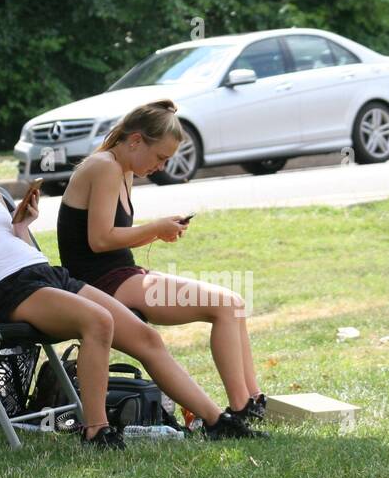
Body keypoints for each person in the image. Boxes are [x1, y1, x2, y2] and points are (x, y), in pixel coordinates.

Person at [0, 98, 263, 449]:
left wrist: (21, 227)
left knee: (146, 338)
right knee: (98, 322)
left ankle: (218, 421)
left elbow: (5, 240)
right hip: (10, 290)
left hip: (44, 274)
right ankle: (96, 431)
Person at [57, 99, 267, 424]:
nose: (161, 166)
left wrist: (159, 232)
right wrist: (155, 229)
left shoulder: (121, 169)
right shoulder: (105, 167)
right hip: (102, 284)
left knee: (234, 303)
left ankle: (253, 401)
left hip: (120, 275)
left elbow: (112, 238)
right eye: (160, 157)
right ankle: (240, 410)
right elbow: (99, 240)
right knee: (225, 305)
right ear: (136, 140)